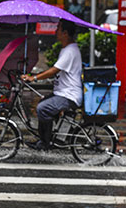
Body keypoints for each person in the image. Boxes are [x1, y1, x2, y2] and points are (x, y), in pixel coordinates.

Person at [22, 19, 82, 150]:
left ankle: (45, 143)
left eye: (58, 29)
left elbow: (55, 69)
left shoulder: (70, 51)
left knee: (43, 108)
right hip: (64, 93)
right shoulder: (66, 49)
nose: (55, 32)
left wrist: (34, 78)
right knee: (42, 103)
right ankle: (47, 138)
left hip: (69, 95)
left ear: (65, 33)